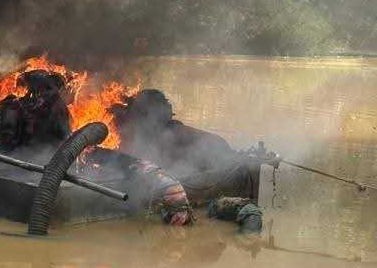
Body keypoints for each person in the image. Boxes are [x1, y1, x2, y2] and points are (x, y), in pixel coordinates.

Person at [110, 89, 263, 213]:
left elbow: (148, 160)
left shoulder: (172, 137)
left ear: (147, 117)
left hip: (213, 165)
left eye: (135, 114)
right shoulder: (162, 133)